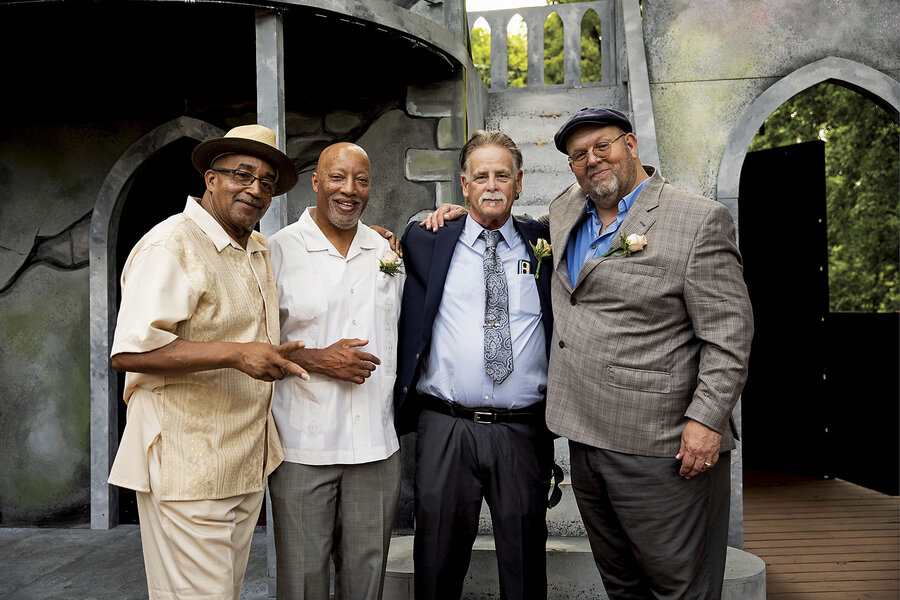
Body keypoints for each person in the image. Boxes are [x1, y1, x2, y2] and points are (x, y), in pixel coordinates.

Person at [428, 108, 754, 599]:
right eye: (579, 155)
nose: (592, 160)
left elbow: (729, 333)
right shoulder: (564, 214)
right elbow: (504, 225)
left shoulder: (697, 219)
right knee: (621, 585)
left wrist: (707, 420)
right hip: (586, 442)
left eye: (603, 146)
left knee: (679, 586)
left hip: (662, 446)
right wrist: (457, 215)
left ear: (631, 145)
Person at [108, 124, 307, 600]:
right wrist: (238, 354)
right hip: (188, 465)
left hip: (243, 460)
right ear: (211, 179)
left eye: (267, 182)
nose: (255, 189)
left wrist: (372, 238)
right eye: (242, 174)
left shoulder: (255, 247)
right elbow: (130, 351)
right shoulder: (171, 245)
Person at [396, 131, 555, 600]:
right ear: (463, 185)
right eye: (480, 176)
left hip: (523, 431)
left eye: (502, 175)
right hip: (446, 427)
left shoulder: (545, 242)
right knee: (436, 565)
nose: (491, 185)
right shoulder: (426, 239)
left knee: (525, 568)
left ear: (519, 183)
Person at [267, 142, 405, 599]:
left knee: (366, 584)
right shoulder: (277, 251)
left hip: (376, 447)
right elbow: (255, 347)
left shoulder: (386, 251)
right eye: (337, 177)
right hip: (303, 448)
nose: (349, 189)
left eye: (361, 180)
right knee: (302, 584)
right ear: (316, 182)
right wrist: (317, 359)